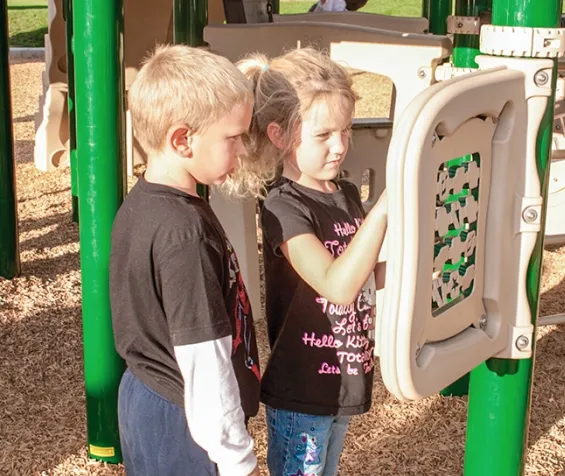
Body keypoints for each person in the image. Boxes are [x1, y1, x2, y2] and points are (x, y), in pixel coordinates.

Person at [230, 47, 387, 476]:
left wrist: (416, 272)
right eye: (323, 135)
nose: (340, 147)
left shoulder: (346, 194)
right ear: (280, 135)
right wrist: (385, 210)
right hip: (302, 386)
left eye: (347, 130)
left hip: (343, 374)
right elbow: (336, 285)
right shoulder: (284, 206)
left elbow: (364, 276)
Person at [109, 44, 262, 476]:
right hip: (185, 420)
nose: (242, 150)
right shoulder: (184, 235)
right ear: (182, 139)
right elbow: (204, 361)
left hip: (147, 397)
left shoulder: (145, 203)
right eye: (233, 138)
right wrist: (239, 462)